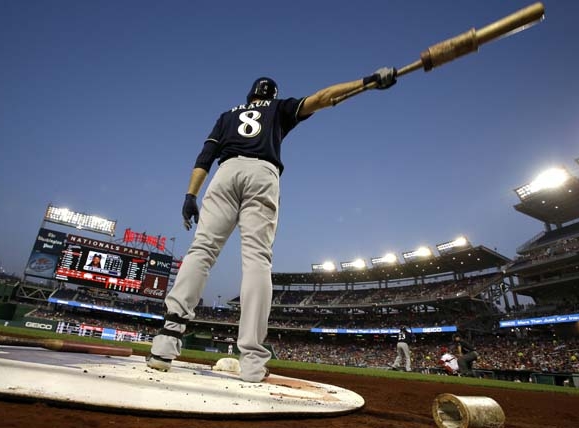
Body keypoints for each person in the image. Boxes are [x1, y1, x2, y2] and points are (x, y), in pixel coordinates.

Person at [146, 69, 397, 382]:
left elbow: (204, 158)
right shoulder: (279, 109)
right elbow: (323, 98)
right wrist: (365, 83)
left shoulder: (227, 116)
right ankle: (252, 361)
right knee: (257, 260)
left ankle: (165, 343)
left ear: (250, 96)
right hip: (263, 174)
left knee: (202, 251)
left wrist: (190, 195)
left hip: (225, 173)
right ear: (272, 96)